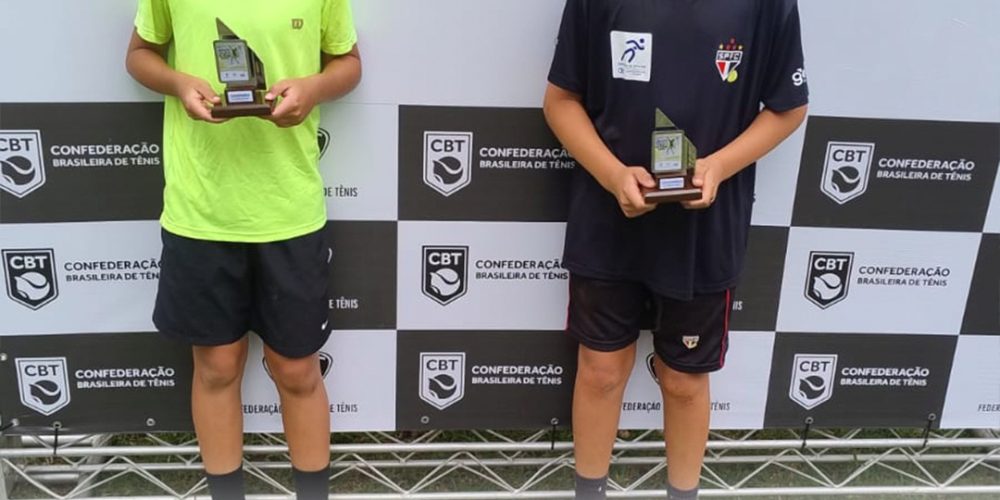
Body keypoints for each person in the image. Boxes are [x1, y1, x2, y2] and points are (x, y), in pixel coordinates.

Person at [542, 1, 809, 499]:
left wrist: (719, 166)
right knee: (600, 373)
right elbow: (560, 100)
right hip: (606, 220)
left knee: (685, 382)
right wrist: (613, 175)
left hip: (705, 232)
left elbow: (788, 107)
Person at [125, 1, 360, 498]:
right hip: (201, 210)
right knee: (216, 368)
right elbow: (140, 54)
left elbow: (349, 63)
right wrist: (178, 82)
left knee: (297, 371)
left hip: (289, 211)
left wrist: (314, 87)